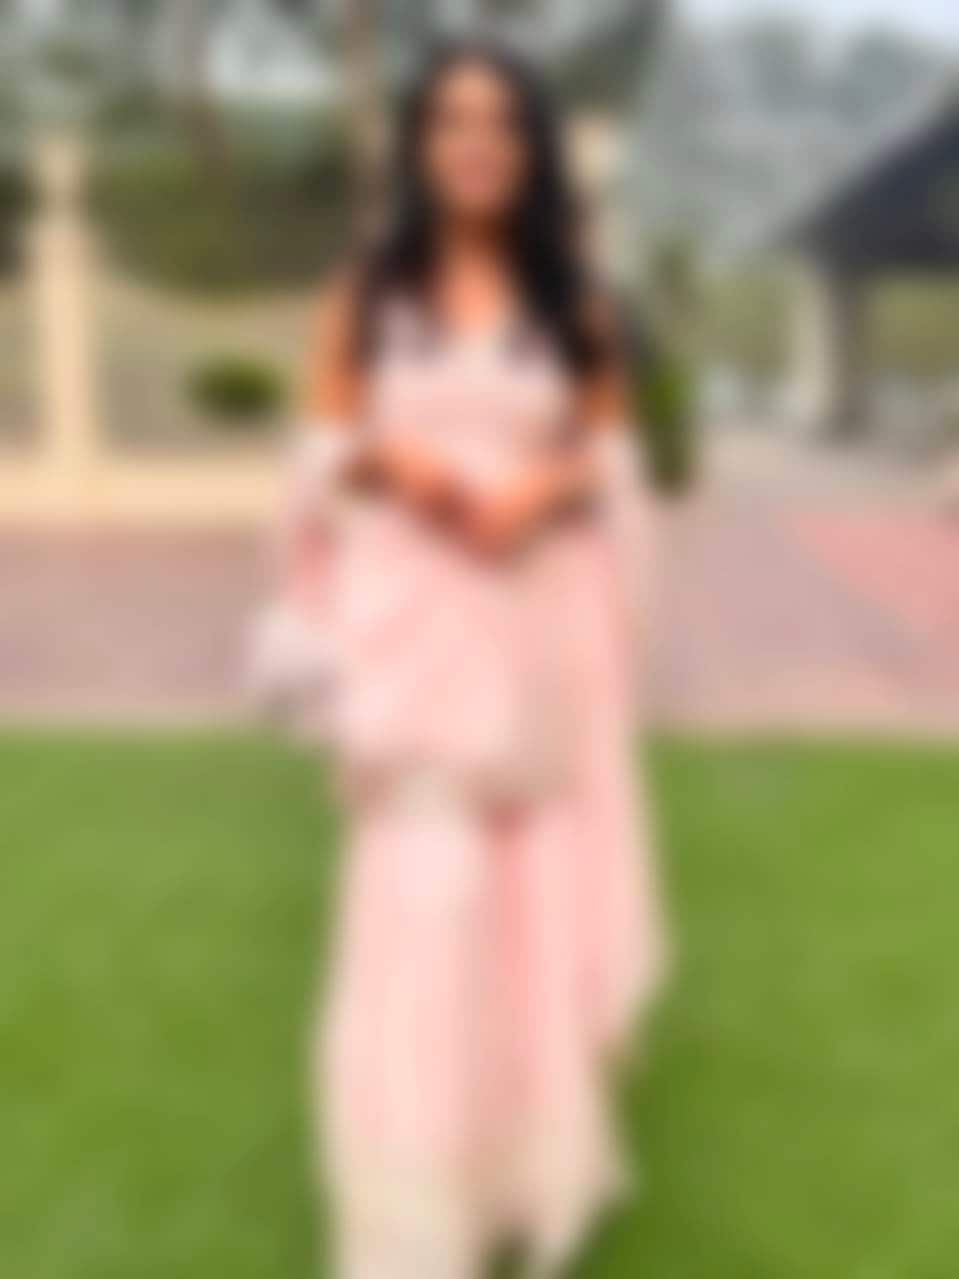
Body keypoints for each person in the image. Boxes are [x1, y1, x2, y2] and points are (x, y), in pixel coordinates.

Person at [260, 38, 666, 1279]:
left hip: (530, 647)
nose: (475, 142)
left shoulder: (574, 303)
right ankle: (408, 1218)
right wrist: (392, 458)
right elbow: (315, 449)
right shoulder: (367, 293)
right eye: (449, 119)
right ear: (418, 143)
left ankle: (516, 1184)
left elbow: (615, 458)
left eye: (499, 121)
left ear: (531, 145)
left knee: (526, 916)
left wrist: (550, 482)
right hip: (410, 648)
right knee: (422, 915)